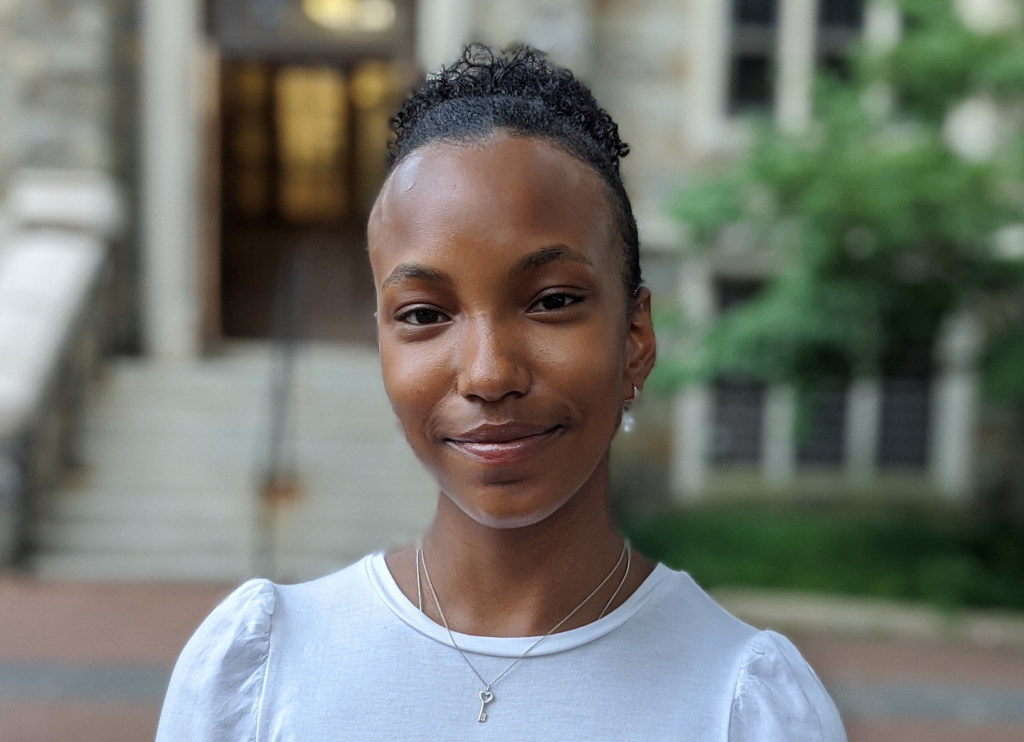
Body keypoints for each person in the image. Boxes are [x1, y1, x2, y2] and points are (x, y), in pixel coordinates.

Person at [156, 45, 847, 741]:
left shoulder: (739, 702)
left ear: (635, 337)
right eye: (424, 314)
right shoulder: (264, 672)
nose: (488, 374)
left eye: (550, 301)